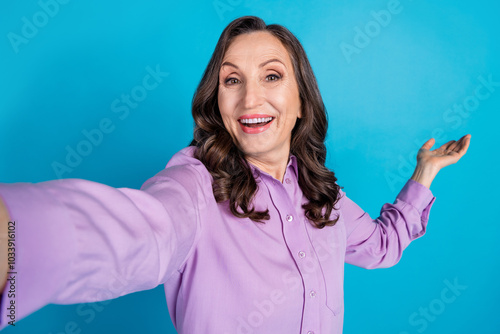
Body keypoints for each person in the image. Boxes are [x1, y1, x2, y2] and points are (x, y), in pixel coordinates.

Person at [0, 16, 470, 333]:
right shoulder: (194, 186)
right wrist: (16, 237)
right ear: (216, 100)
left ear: (302, 99)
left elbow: (380, 248)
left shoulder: (323, 195)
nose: (249, 99)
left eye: (271, 76)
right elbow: (144, 231)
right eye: (231, 80)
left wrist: (423, 175)